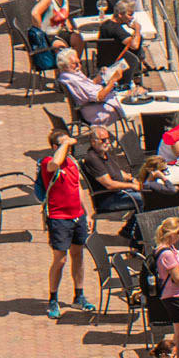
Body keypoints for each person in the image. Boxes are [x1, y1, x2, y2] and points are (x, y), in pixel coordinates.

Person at [38, 128, 94, 319]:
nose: (70, 149)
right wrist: (64, 144)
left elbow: (78, 187)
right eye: (64, 145)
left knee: (78, 255)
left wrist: (87, 213)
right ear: (55, 146)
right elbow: (54, 163)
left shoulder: (72, 162)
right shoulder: (48, 162)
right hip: (58, 218)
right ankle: (53, 298)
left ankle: (79, 295)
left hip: (77, 216)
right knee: (60, 259)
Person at [146, 213, 179, 323]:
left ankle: (176, 342)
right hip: (176, 296)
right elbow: (178, 278)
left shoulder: (167, 248)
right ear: (171, 234)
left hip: (172, 294)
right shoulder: (167, 254)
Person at [55, 45, 127, 127]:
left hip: (95, 105)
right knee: (129, 105)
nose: (79, 66)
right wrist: (113, 80)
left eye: (79, 62)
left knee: (125, 96)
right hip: (97, 111)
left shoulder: (69, 73)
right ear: (64, 66)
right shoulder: (73, 79)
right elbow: (99, 97)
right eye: (75, 64)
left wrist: (101, 75)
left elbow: (91, 83)